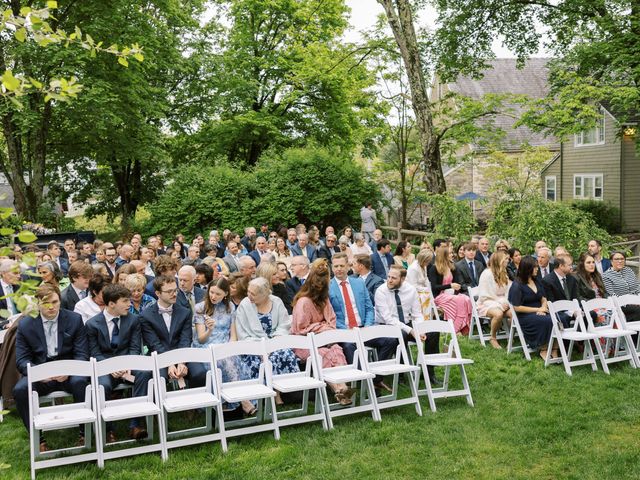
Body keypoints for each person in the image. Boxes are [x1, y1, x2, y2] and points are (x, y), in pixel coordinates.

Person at [13, 284, 88, 451]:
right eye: (46, 303)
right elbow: (22, 360)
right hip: (41, 372)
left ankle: (85, 433)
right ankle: (38, 439)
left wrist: (68, 371)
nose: (51, 307)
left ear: (60, 301)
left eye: (55, 302)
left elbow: (82, 354)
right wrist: (40, 374)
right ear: (37, 304)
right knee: (20, 389)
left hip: (69, 372)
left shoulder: (74, 319)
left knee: (81, 382)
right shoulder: (26, 325)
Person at [86, 284, 149, 441]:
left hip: (128, 364)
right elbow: (94, 353)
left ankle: (135, 425)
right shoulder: (92, 324)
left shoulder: (133, 320)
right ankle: (109, 429)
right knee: (103, 385)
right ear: (111, 304)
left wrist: (127, 364)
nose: (130, 304)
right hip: (105, 367)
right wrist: (110, 367)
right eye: (125, 301)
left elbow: (135, 348)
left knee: (144, 374)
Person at [329, 253, 396, 392]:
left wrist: (368, 325)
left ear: (348, 266)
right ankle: (368, 383)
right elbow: (331, 316)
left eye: (342, 265)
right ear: (332, 267)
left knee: (390, 341)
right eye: (336, 266)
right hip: (344, 331)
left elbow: (369, 307)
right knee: (348, 347)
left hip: (365, 327)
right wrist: (346, 330)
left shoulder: (358, 282)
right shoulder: (328, 287)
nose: (339, 269)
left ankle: (376, 378)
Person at [290, 259, 354, 405]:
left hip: (325, 340)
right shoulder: (304, 302)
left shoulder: (324, 299)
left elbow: (331, 320)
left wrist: (323, 327)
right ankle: (339, 390)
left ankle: (342, 388)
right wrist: (321, 326)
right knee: (324, 355)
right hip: (304, 343)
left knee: (337, 351)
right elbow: (301, 329)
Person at [192, 277, 255, 415]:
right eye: (211, 292)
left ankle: (234, 399)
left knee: (230, 357)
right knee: (223, 360)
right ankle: (243, 400)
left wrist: (229, 348)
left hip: (225, 346)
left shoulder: (230, 307)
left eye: (218, 294)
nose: (213, 296)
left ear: (226, 294)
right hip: (206, 348)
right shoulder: (200, 308)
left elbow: (233, 335)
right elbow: (201, 339)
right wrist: (210, 330)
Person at [235, 277, 299, 404]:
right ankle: (270, 395)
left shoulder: (276, 302)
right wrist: (262, 348)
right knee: (261, 359)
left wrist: (274, 342)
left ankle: (281, 391)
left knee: (284, 354)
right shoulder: (245, 305)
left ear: (264, 294)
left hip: (276, 342)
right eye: (248, 292)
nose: (249, 296)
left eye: (253, 294)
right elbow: (242, 334)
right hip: (253, 346)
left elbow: (284, 325)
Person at [374, 265, 441, 386]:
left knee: (433, 332)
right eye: (388, 276)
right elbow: (388, 318)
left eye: (394, 278)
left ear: (403, 279)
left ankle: (429, 371)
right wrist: (411, 330)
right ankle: (401, 374)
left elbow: (417, 313)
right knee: (402, 334)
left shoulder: (410, 290)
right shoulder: (381, 291)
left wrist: (420, 329)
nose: (389, 280)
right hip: (387, 325)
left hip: (406, 321)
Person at [141, 275, 206, 388]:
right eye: (169, 291)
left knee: (199, 373)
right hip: (159, 356)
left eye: (175, 290)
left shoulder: (184, 312)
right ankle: (160, 405)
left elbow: (185, 339)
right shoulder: (145, 316)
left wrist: (181, 362)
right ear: (158, 293)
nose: (174, 294)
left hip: (181, 353)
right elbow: (154, 344)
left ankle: (195, 405)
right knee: (158, 378)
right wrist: (169, 363)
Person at [508, 255, 555, 360]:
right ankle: (543, 348)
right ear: (527, 268)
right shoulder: (517, 285)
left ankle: (555, 348)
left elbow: (543, 298)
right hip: (525, 315)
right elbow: (516, 307)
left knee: (560, 317)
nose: (537, 269)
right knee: (547, 321)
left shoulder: (536, 281)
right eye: (535, 267)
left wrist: (543, 307)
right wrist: (538, 310)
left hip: (540, 311)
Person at [428, 247, 472, 335]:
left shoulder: (452, 267)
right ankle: (455, 328)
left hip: (451, 294)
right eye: (450, 253)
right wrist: (450, 285)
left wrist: (456, 287)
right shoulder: (434, 268)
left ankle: (465, 326)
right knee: (459, 300)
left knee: (466, 299)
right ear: (444, 256)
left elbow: (456, 281)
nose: (452, 255)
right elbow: (434, 287)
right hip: (439, 296)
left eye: (452, 253)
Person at [476, 251, 512, 349]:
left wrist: (507, 302)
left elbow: (508, 290)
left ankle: (513, 336)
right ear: (499, 261)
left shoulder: (504, 273)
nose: (508, 261)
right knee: (498, 314)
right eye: (505, 259)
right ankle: (493, 337)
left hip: (503, 302)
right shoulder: (486, 274)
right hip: (486, 303)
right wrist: (500, 302)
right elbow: (484, 295)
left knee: (514, 313)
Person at [575, 253, 612, 329]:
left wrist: (608, 301)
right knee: (604, 315)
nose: (592, 265)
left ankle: (619, 340)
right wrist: (595, 304)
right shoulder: (577, 277)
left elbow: (604, 292)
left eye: (593, 262)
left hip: (603, 304)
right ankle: (604, 340)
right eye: (588, 263)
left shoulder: (596, 275)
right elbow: (579, 297)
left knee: (616, 313)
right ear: (582, 264)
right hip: (590, 306)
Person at [541, 254, 579, 327]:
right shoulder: (547, 281)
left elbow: (575, 297)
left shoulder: (572, 279)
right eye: (569, 265)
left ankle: (581, 337)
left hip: (573, 309)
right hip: (559, 311)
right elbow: (551, 302)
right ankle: (567, 338)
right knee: (564, 318)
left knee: (590, 314)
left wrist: (576, 309)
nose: (571, 267)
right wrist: (571, 312)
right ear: (561, 266)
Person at [602, 251, 640, 322]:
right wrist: (631, 301)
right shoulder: (606, 276)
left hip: (636, 301)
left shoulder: (629, 271)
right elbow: (611, 294)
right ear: (611, 261)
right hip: (621, 305)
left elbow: (637, 286)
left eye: (622, 259)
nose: (620, 261)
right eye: (616, 259)